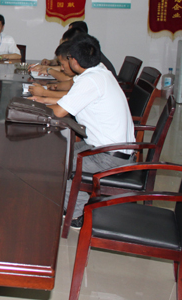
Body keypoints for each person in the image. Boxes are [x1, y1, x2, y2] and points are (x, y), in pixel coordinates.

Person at [30, 34, 134, 229]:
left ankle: (77, 214)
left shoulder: (90, 81)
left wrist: (29, 108)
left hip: (109, 157)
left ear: (75, 61)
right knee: (59, 151)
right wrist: (42, 100)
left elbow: (59, 112)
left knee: (60, 163)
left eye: (68, 58)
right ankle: (67, 200)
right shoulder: (100, 72)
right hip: (111, 148)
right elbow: (69, 101)